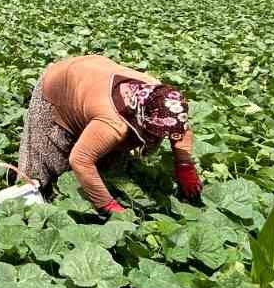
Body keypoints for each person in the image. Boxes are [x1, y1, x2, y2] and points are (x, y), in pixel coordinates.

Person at [17, 54, 202, 217]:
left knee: (110, 162)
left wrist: (185, 166)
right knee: (48, 157)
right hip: (59, 83)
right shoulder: (114, 124)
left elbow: (180, 128)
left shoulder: (162, 99)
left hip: (93, 75)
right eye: (154, 133)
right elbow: (80, 160)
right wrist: (107, 204)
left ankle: (94, 184)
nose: (158, 139)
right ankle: (30, 197)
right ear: (140, 120)